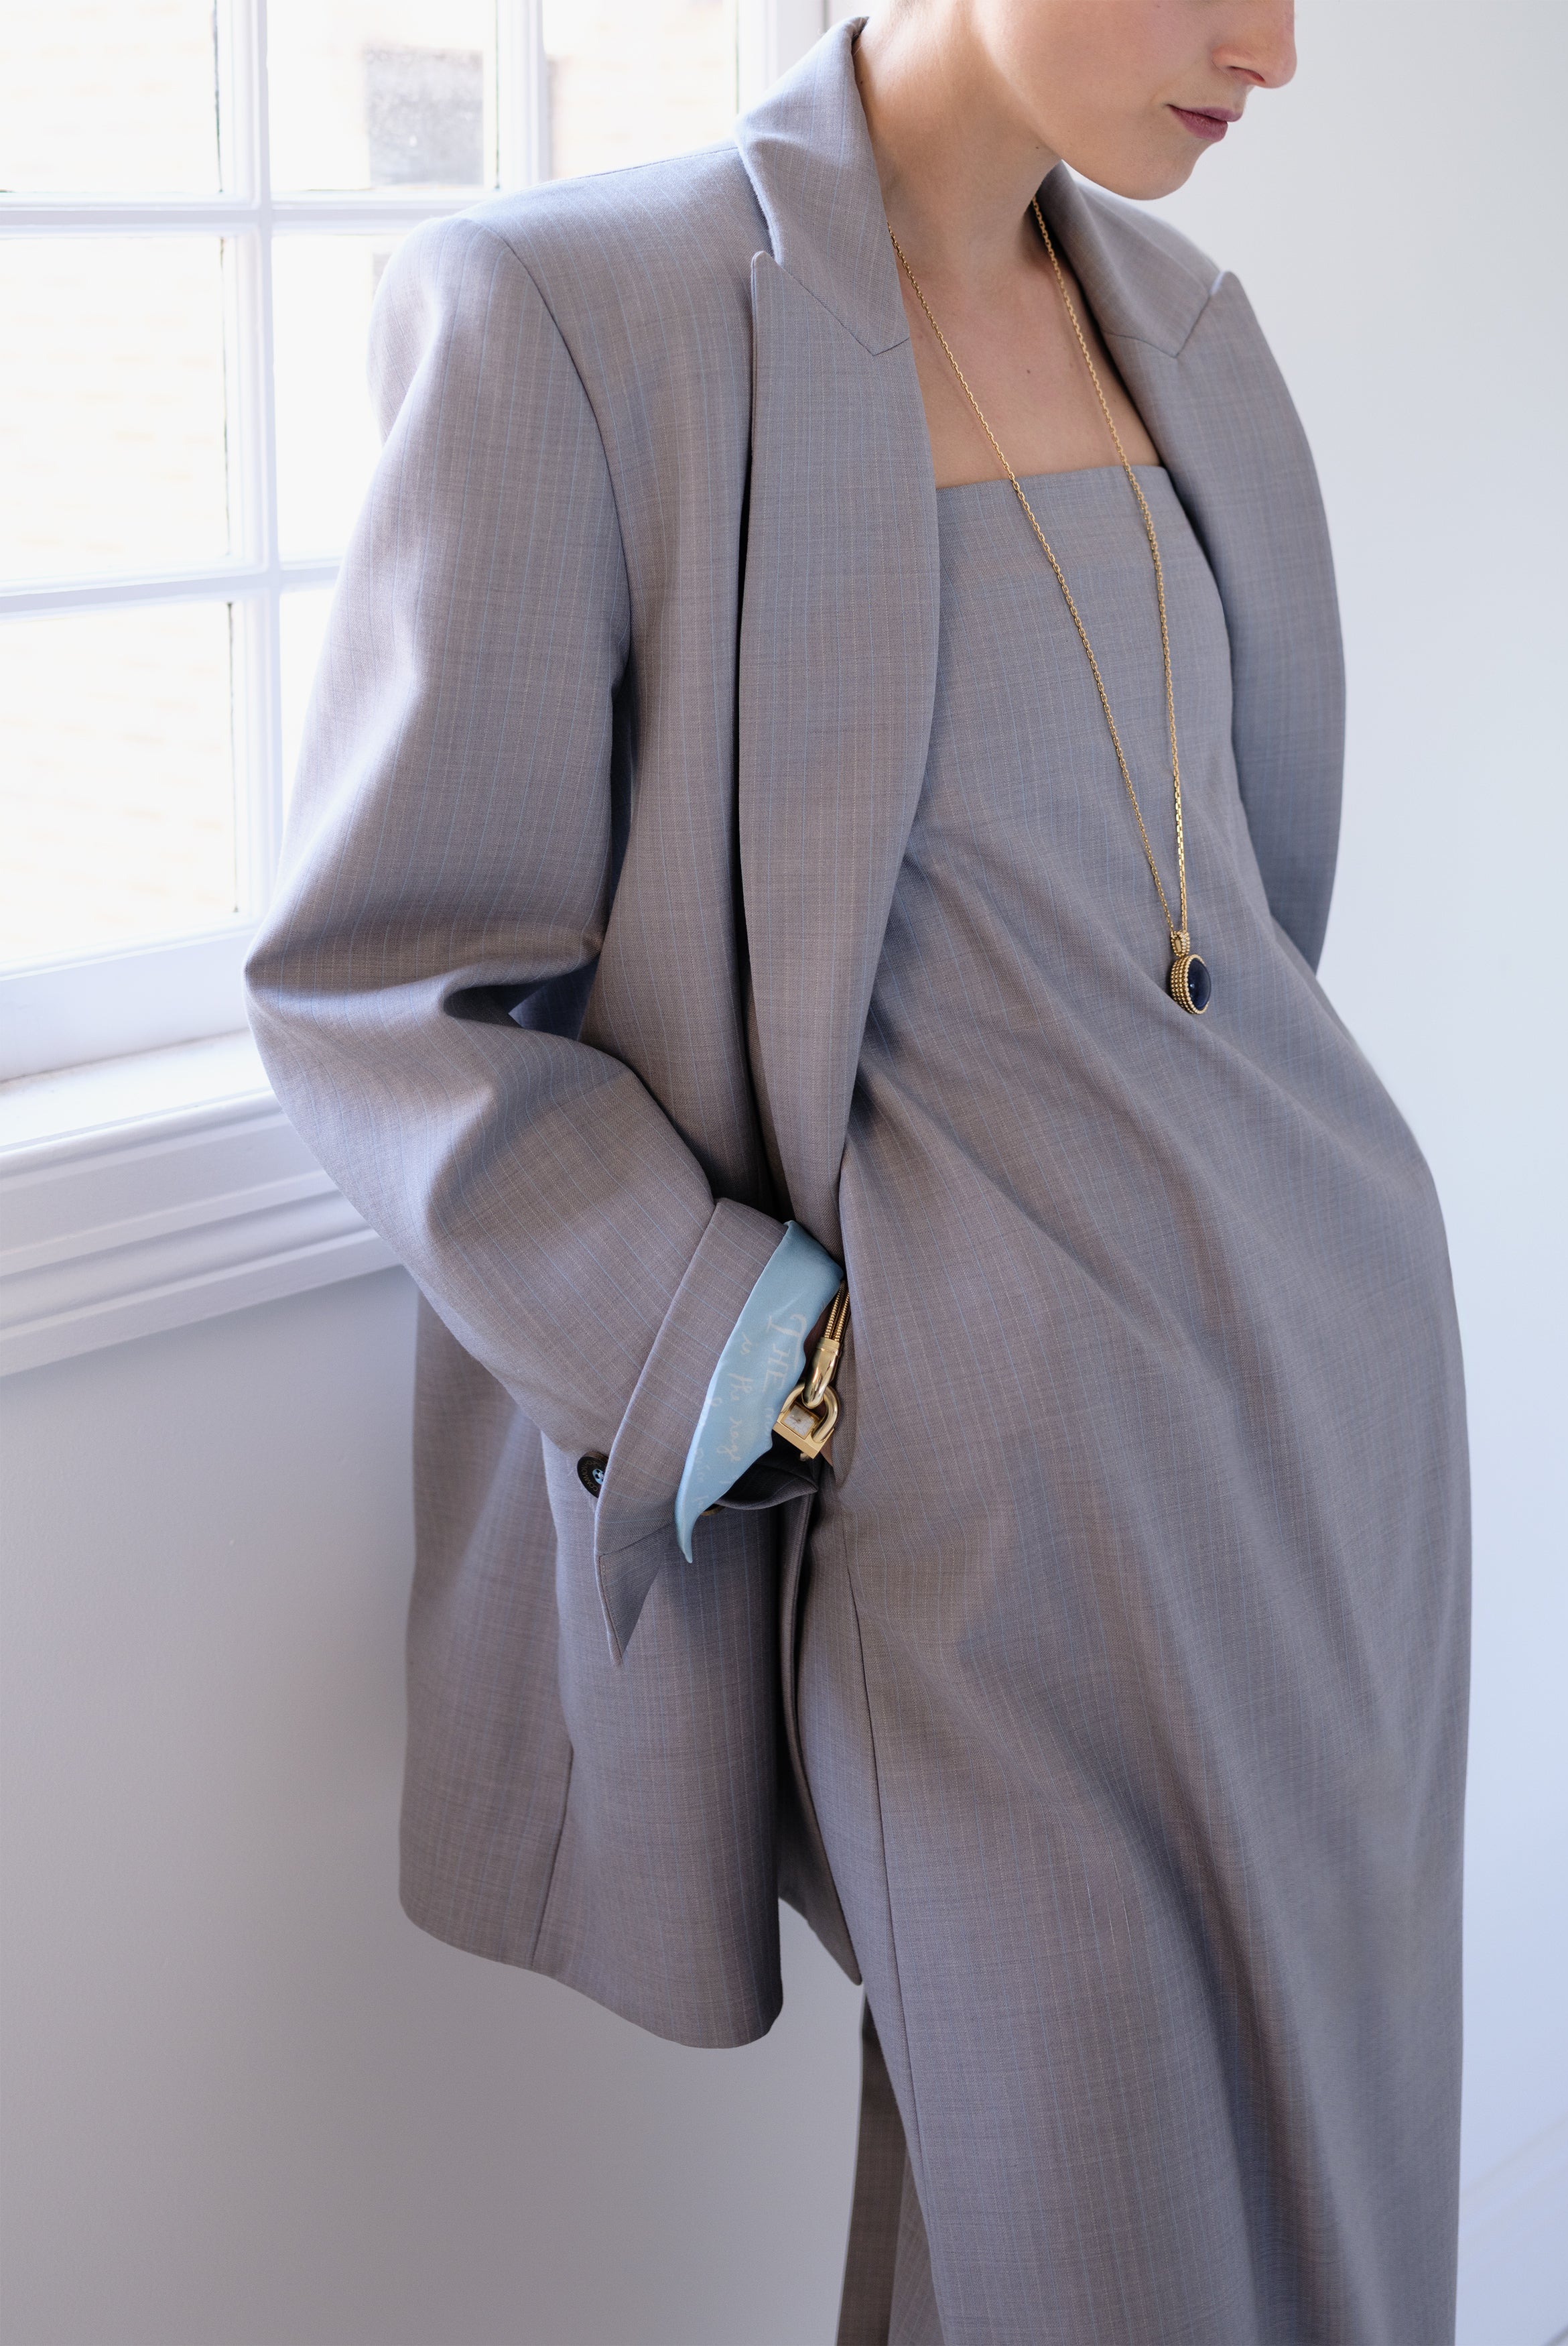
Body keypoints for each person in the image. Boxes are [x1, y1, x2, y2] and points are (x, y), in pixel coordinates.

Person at [246, 5, 1472, 2339]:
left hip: (1336, 1467)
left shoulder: (1196, 338)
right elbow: (380, 980)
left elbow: (1230, 929)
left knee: (1328, 2206)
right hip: (974, 1545)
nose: (1278, 49)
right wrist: (785, 1371)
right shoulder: (579, 322)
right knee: (1088, 2246)